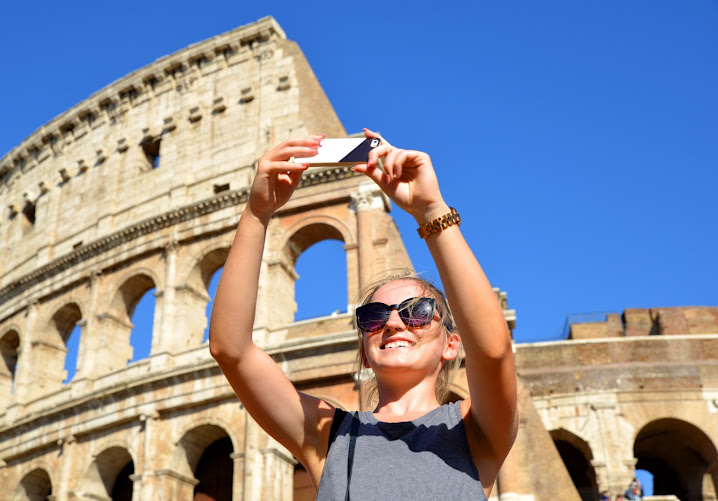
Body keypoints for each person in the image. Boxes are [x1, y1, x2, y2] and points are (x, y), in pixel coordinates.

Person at [209, 129, 519, 499]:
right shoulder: (327, 436)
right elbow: (231, 349)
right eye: (373, 316)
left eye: (417, 312)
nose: (392, 322)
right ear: (365, 353)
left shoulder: (474, 429)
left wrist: (430, 210)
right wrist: (257, 213)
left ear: (451, 345)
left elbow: (493, 350)